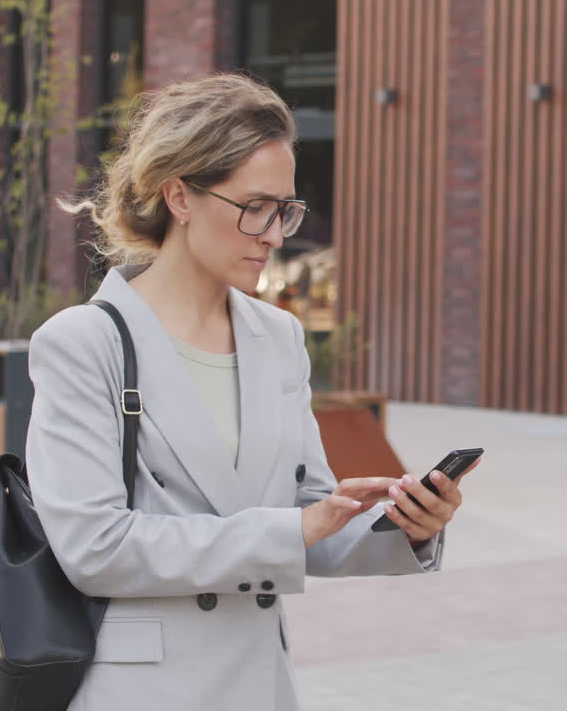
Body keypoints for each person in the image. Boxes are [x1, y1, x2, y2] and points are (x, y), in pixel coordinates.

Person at [26, 73, 467, 711]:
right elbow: (94, 550)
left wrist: (406, 527)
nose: (275, 234)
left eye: (286, 209)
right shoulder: (83, 343)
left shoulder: (278, 336)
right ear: (178, 195)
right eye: (254, 206)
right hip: (139, 688)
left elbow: (309, 512)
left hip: (258, 682)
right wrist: (292, 529)